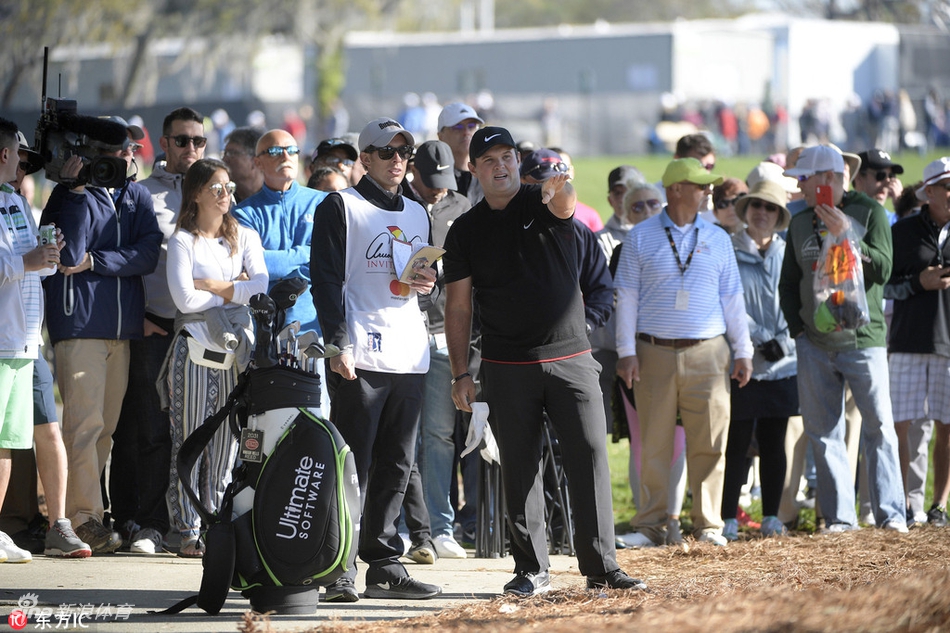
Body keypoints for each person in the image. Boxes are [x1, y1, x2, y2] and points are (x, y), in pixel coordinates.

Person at [443, 125, 645, 596]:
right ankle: (531, 568)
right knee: (520, 466)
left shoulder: (542, 202)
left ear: (518, 161)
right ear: (472, 169)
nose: (500, 166)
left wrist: (558, 181)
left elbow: (566, 203)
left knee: (591, 455)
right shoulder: (466, 231)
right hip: (507, 364)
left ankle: (602, 567)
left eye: (508, 156)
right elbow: (458, 306)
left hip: (572, 357)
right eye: (488, 159)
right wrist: (460, 372)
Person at [311, 117, 442, 601]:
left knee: (397, 464)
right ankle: (336, 565)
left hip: (409, 352)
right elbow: (324, 281)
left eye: (404, 153)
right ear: (364, 158)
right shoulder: (339, 206)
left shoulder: (417, 210)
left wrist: (430, 282)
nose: (397, 161)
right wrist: (338, 343)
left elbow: (427, 282)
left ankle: (385, 565)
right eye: (387, 152)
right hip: (360, 353)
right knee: (353, 467)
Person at [614, 157, 753, 548]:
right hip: (653, 350)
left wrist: (743, 350)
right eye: (699, 184)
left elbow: (732, 298)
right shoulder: (640, 237)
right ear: (675, 190)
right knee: (654, 440)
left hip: (709, 352)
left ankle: (708, 525)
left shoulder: (719, 237)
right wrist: (626, 351)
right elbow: (626, 297)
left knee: (709, 440)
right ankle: (651, 525)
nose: (707, 190)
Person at [41, 119, 163, 555]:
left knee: (106, 429)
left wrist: (97, 260)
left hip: (122, 330)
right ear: (93, 155)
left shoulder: (137, 195)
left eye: (129, 149)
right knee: (84, 427)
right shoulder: (65, 195)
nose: (125, 158)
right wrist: (75, 193)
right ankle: (83, 519)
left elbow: (148, 254)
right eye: (114, 153)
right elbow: (66, 255)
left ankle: (89, 513)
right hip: (79, 327)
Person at [778, 144, 907, 533]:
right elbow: (788, 283)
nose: (799, 186)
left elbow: (883, 270)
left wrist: (847, 235)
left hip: (863, 341)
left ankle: (892, 515)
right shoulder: (799, 221)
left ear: (829, 179)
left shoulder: (869, 211)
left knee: (879, 427)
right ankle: (838, 519)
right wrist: (799, 331)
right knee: (823, 432)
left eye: (805, 178)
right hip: (814, 343)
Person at [163, 158, 268, 558]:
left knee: (225, 448)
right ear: (196, 194)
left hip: (234, 354)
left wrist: (215, 286)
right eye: (217, 188)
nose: (226, 195)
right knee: (187, 442)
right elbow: (183, 299)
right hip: (193, 351)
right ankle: (186, 529)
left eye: (229, 188)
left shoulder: (243, 236)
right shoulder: (183, 241)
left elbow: (259, 288)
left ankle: (214, 528)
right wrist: (232, 289)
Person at [113, 107, 204, 554]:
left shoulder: (214, 191)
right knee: (150, 430)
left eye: (198, 141)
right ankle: (147, 524)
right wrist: (139, 315)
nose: (191, 149)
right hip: (154, 326)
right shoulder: (140, 194)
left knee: (197, 432)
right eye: (182, 140)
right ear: (163, 143)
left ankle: (190, 524)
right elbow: (126, 260)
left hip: (200, 331)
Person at [0, 119, 72, 563]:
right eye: (19, 155)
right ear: (5, 155)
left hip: (23, 343)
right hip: (4, 343)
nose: (24, 165)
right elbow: (14, 263)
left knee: (8, 442)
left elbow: (30, 267)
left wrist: (48, 255)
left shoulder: (16, 200)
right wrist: (26, 261)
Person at [721, 180, 798, 540]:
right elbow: (727, 301)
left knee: (774, 441)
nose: (762, 213)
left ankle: (771, 516)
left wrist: (782, 339)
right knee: (736, 442)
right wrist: (758, 338)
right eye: (756, 206)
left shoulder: (788, 251)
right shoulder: (729, 249)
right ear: (746, 210)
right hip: (743, 359)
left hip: (784, 361)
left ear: (779, 215)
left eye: (770, 208)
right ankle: (726, 518)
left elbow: (797, 299)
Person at [233, 129, 329, 412]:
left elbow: (324, 262)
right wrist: (304, 255)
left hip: (311, 332)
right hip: (262, 335)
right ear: (257, 162)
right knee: (264, 421)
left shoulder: (321, 203)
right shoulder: (245, 213)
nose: (285, 156)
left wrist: (270, 263)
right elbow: (252, 268)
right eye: (275, 151)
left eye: (291, 150)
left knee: (315, 418)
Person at [887, 157, 950, 527]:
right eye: (946, 186)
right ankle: (907, 504)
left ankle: (938, 505)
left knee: (947, 427)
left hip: (948, 343)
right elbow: (882, 286)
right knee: (902, 425)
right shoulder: (903, 232)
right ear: (928, 193)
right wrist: (917, 283)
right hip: (908, 340)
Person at [436, 102, 483, 205]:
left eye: (471, 126)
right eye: (457, 127)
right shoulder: (432, 176)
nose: (466, 132)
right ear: (440, 136)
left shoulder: (487, 173)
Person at [854, 149, 903, 224]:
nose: (887, 182)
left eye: (891, 176)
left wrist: (902, 207)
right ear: (858, 178)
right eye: (880, 175)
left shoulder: (896, 220)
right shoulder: (843, 216)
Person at [222, 126, 265, 203]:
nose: (224, 159)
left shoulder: (275, 199)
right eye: (225, 154)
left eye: (232, 153)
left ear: (255, 161)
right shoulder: (224, 200)